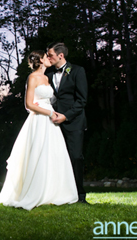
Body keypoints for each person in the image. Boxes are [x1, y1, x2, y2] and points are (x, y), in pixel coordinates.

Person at [0, 50, 78, 210]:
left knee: (52, 154)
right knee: (38, 153)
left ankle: (53, 191)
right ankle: (34, 192)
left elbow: (46, 100)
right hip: (39, 120)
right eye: (46, 56)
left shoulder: (46, 77)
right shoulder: (32, 77)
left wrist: (54, 112)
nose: (49, 58)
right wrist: (50, 112)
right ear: (41, 61)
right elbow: (29, 104)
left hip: (51, 120)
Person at [45, 42, 88, 204]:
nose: (48, 58)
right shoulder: (47, 75)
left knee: (76, 157)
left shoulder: (77, 71)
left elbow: (82, 100)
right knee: (55, 159)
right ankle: (59, 195)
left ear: (60, 55)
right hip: (52, 123)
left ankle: (80, 196)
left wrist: (66, 116)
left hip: (73, 122)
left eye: (50, 55)